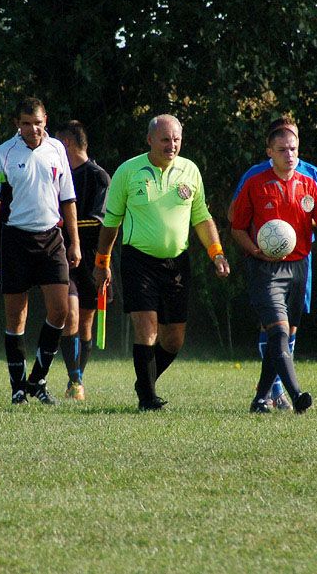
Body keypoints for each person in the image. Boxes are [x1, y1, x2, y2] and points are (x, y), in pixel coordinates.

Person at [93, 114, 229, 411]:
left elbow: (202, 217)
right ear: (150, 140)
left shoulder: (190, 171)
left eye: (176, 140)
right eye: (165, 139)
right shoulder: (128, 172)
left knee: (173, 340)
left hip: (176, 263)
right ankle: (148, 399)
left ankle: (145, 380)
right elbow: (111, 222)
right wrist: (101, 262)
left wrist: (216, 252)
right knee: (147, 329)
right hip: (137, 261)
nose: (172, 145)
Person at [231, 124, 317, 414]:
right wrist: (254, 250)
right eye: (282, 150)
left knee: (288, 335)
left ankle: (260, 399)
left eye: (294, 149)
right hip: (266, 269)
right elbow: (237, 228)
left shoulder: (309, 183)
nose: (290, 155)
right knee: (278, 333)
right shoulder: (256, 182)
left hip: (299, 268)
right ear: (269, 153)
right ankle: (296, 394)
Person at [0, 97, 81, 405]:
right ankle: (17, 387)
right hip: (15, 241)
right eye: (26, 124)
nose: (32, 129)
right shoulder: (2, 155)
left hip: (52, 239)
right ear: (17, 125)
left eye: (37, 123)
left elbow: (68, 198)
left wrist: (74, 241)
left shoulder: (57, 150)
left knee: (60, 311)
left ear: (45, 120)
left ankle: (37, 379)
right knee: (16, 316)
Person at [54, 120, 111, 401]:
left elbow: (101, 223)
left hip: (90, 258)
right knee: (70, 314)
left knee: (86, 323)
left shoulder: (99, 177)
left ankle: (75, 378)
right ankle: (75, 380)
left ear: (66, 145)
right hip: (60, 256)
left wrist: (62, 224)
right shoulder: (56, 175)